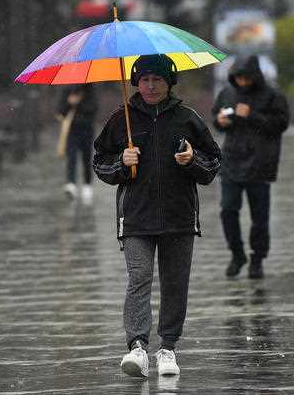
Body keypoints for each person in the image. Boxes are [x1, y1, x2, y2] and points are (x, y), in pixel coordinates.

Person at [93, 54, 221, 378]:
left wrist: (192, 159)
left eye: (158, 80)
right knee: (139, 278)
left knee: (175, 283)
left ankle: (168, 349)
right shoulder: (120, 119)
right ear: (136, 81)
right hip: (136, 218)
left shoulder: (187, 119)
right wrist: (122, 161)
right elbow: (100, 161)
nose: (151, 86)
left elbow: (212, 164)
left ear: (169, 82)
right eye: (145, 79)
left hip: (180, 217)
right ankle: (137, 347)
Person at [211, 54, 290, 280]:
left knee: (260, 217)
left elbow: (281, 124)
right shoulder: (227, 92)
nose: (243, 82)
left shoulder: (273, 95)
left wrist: (253, 116)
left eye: (246, 78)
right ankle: (237, 254)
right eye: (238, 78)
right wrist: (220, 121)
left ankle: (257, 258)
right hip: (232, 160)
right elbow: (217, 117)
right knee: (228, 210)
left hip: (260, 162)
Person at [56, 84, 98, 203]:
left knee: (86, 158)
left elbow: (94, 108)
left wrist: (79, 102)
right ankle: (71, 183)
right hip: (71, 130)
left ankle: (87, 185)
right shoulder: (67, 90)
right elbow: (60, 111)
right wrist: (70, 102)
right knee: (71, 157)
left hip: (87, 130)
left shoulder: (90, 89)